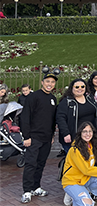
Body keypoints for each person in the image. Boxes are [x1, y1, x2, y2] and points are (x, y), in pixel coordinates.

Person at [20, 72, 58, 203]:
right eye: (48, 81)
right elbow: (25, 117)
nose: (50, 84)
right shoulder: (33, 97)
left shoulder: (53, 98)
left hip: (46, 138)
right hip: (34, 137)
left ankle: (36, 187)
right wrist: (26, 136)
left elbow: (53, 119)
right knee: (31, 163)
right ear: (42, 82)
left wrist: (52, 135)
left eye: (52, 82)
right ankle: (26, 190)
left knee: (41, 164)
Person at [61, 122, 97, 206]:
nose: (87, 134)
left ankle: (82, 193)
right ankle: (75, 193)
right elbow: (86, 170)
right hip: (72, 181)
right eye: (85, 131)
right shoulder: (75, 149)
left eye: (90, 131)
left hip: (85, 179)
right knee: (87, 204)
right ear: (80, 133)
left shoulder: (90, 146)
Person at [57, 78, 97, 153]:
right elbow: (60, 118)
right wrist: (66, 133)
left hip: (89, 137)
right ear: (71, 88)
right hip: (74, 137)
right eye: (77, 87)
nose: (80, 89)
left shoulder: (90, 98)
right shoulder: (67, 102)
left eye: (82, 86)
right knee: (76, 161)